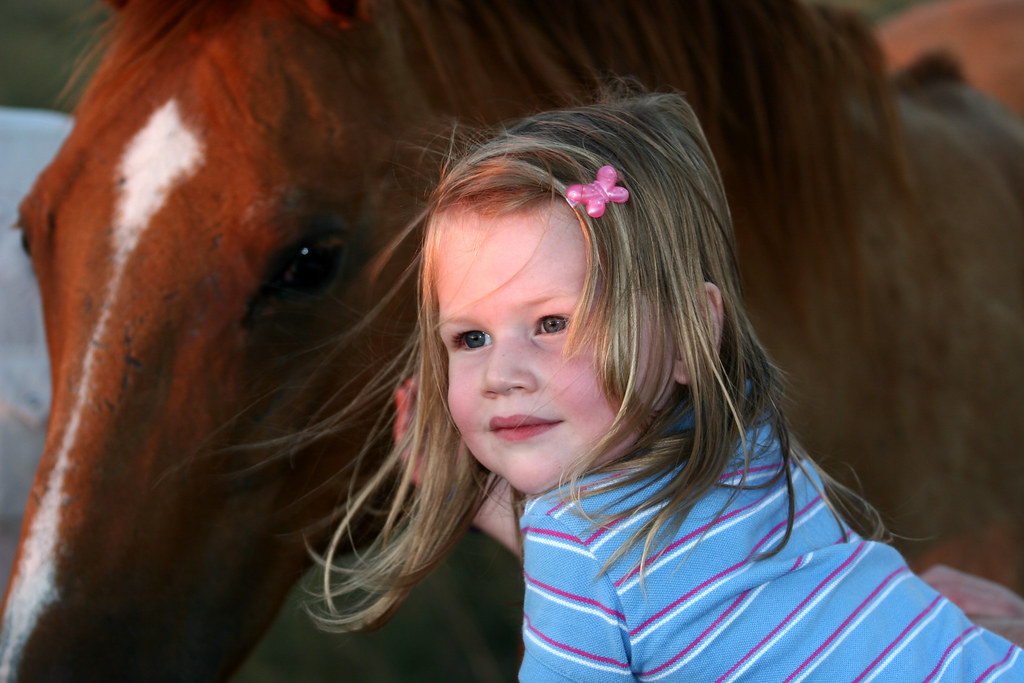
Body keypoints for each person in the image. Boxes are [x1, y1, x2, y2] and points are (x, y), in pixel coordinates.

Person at [316, 89, 1024, 680]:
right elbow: (656, 588)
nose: (502, 374)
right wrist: (501, 508)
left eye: (553, 323)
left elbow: (607, 579)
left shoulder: (576, 551)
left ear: (688, 336)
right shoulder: (744, 436)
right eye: (470, 338)